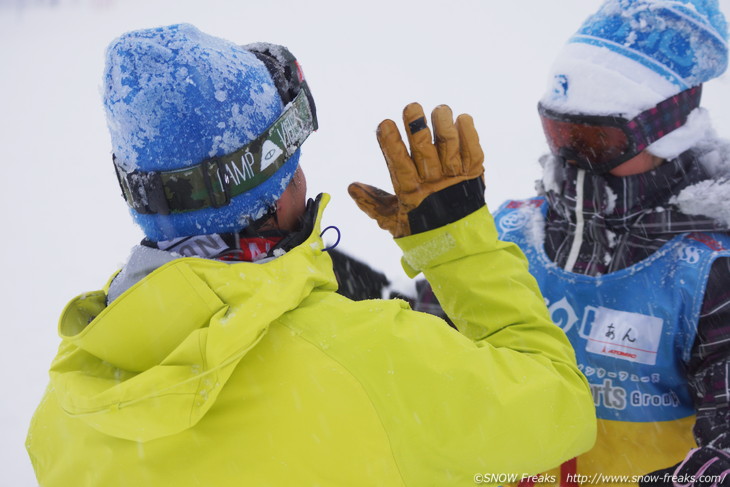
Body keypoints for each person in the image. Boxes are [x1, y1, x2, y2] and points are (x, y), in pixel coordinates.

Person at [24, 23, 595, 486]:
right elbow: (561, 408)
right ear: (274, 189)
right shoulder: (373, 364)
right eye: (292, 160)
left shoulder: (64, 411)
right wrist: (459, 247)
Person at [415, 0, 730, 484]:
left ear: (666, 131)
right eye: (559, 133)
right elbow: (434, 370)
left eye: (593, 140)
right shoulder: (514, 232)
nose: (572, 158)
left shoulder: (706, 270)